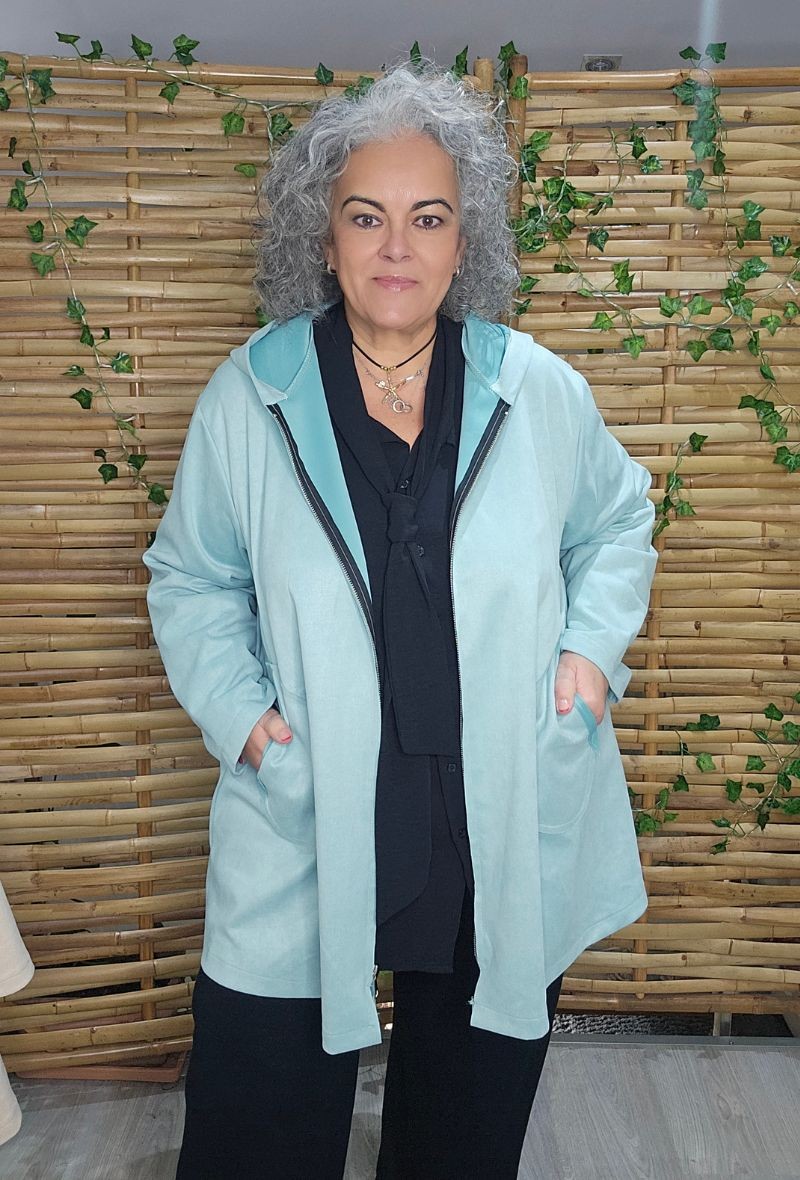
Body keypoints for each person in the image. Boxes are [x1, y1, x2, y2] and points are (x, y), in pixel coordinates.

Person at [142, 58, 658, 1180]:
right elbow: (190, 578)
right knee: (255, 1131)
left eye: (428, 218)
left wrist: (586, 659)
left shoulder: (536, 390)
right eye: (365, 215)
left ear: (464, 242)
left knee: (461, 1138)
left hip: (491, 812)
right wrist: (244, 722)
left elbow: (619, 520)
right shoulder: (251, 396)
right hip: (311, 802)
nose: (395, 247)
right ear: (322, 237)